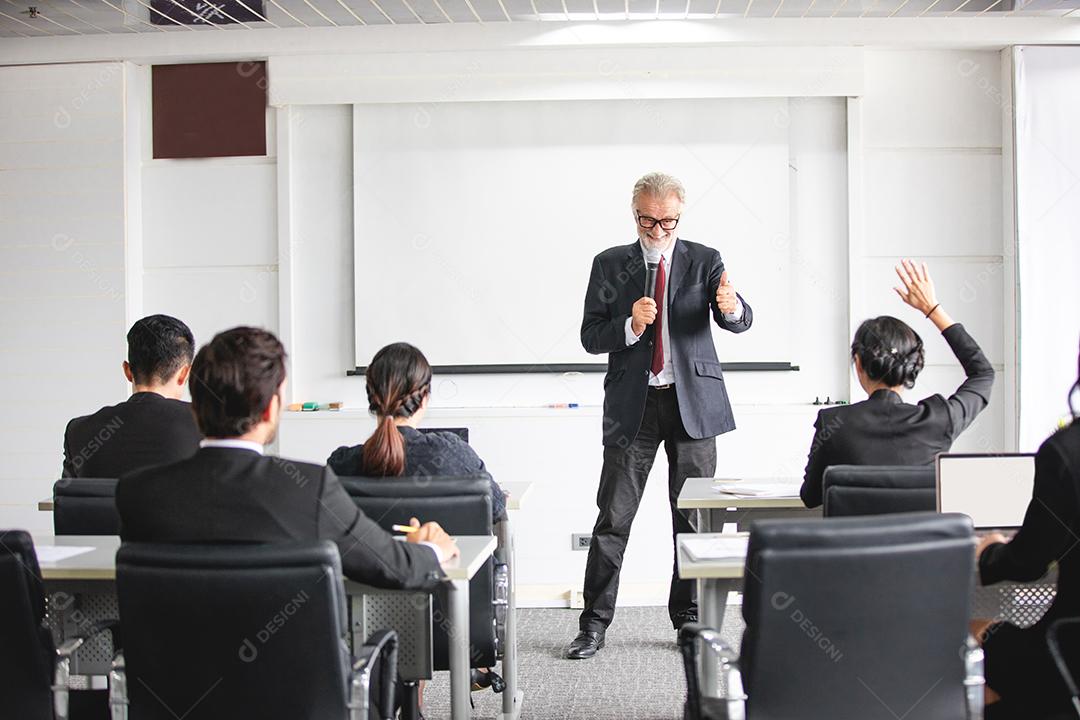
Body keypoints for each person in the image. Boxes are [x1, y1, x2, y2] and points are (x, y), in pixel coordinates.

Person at [568, 172, 754, 660]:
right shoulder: (609, 264)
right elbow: (591, 336)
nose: (657, 230)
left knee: (692, 520)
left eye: (667, 221)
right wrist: (629, 324)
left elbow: (737, 317)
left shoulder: (705, 259)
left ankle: (688, 621)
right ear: (635, 214)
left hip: (692, 404)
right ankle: (594, 624)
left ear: (679, 216)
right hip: (634, 407)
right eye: (648, 220)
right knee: (613, 518)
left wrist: (733, 308)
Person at [117, 327, 457, 590]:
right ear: (270, 409)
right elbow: (396, 567)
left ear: (196, 405)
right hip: (289, 680)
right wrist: (434, 549)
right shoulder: (311, 489)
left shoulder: (136, 493)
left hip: (170, 680)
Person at [799, 260, 994, 508]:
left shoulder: (834, 423)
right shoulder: (940, 419)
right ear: (914, 365)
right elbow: (983, 373)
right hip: (923, 547)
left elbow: (810, 497)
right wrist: (932, 309)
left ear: (858, 363)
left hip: (855, 547)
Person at [976, 345, 1080, 719]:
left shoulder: (1065, 452)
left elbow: (1027, 563)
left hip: (1067, 647)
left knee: (984, 636)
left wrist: (988, 554)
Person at [328, 342, 507, 523]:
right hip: (448, 552)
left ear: (371, 399)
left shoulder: (341, 465)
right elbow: (497, 509)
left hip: (368, 552)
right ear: (424, 400)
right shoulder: (451, 453)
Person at [62, 314, 201, 478]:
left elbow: (67, 500)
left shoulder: (78, 431)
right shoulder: (207, 425)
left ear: (128, 371)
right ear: (184, 373)